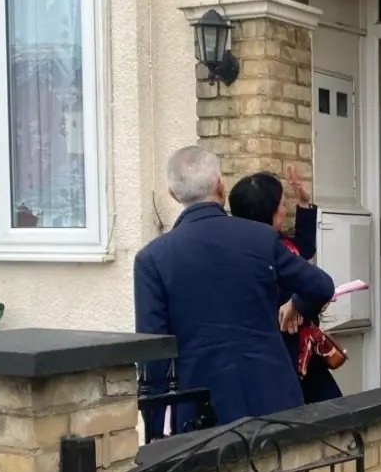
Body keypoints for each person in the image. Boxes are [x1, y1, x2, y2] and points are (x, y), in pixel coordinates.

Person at [134, 146, 334, 436]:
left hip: (201, 411)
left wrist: (155, 427)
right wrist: (297, 306)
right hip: (274, 398)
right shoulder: (260, 238)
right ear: (220, 184)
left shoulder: (152, 259)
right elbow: (321, 286)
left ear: (174, 195)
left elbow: (153, 353)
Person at [228, 167, 344, 404]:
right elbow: (317, 285)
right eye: (281, 204)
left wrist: (304, 203)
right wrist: (299, 303)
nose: (285, 210)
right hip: (281, 358)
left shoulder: (276, 245)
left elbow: (303, 247)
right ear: (267, 212)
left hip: (303, 355)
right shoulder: (260, 255)